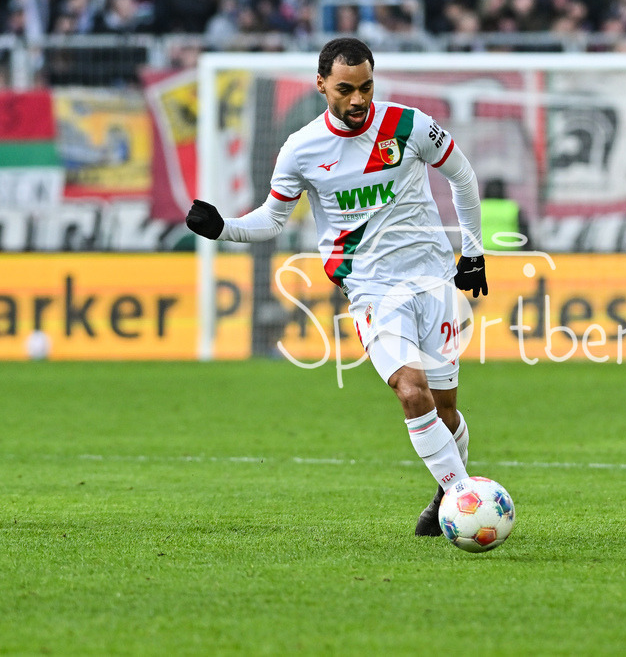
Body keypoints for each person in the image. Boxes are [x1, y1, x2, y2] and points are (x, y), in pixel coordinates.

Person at [185, 37, 488, 537]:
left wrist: (473, 253)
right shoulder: (302, 148)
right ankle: (463, 498)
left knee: (446, 408)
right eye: (346, 89)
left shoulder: (408, 126)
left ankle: (445, 487)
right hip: (372, 291)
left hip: (434, 282)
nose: (358, 100)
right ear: (321, 84)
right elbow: (272, 219)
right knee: (412, 393)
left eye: (366, 87)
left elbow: (463, 176)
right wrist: (225, 229)